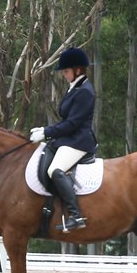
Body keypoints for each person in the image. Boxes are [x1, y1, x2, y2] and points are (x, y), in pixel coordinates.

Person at [29, 47, 97, 232]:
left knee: (55, 169)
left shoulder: (85, 92)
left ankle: (76, 215)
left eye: (66, 71)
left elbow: (72, 124)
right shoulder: (75, 88)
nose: (64, 75)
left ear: (77, 70)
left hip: (79, 140)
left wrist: (46, 132)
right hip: (69, 138)